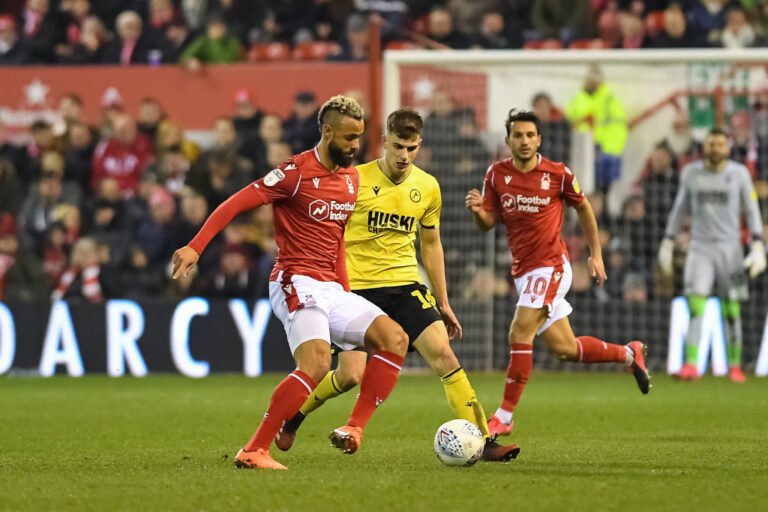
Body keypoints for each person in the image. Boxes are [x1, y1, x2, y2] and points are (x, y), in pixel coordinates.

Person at [171, 96, 408, 470]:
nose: (355, 146)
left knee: (395, 339)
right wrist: (196, 247)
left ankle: (354, 428)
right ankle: (254, 449)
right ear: (327, 131)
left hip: (331, 287)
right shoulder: (294, 173)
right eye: (348, 138)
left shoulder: (351, 179)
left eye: (359, 138)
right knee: (315, 362)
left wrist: (344, 290)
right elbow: (236, 202)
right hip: (294, 279)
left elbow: (337, 239)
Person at [274, 109, 520, 462]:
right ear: (385, 142)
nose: (405, 156)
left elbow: (431, 245)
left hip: (404, 285)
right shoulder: (352, 181)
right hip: (356, 288)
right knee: (349, 376)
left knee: (444, 354)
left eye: (413, 148)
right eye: (399, 146)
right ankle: (295, 416)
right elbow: (328, 235)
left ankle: (485, 441)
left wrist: (443, 300)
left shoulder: (427, 186)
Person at [464, 109, 650, 438]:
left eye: (530, 135)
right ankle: (628, 353)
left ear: (539, 139)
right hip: (523, 271)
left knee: (519, 332)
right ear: (508, 140)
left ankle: (504, 416)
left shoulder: (558, 174)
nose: (524, 141)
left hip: (551, 265)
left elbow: (583, 207)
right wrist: (479, 212)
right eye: (517, 135)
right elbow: (488, 223)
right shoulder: (495, 175)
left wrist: (595, 254)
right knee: (565, 348)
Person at [658, 128, 765, 382]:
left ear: (727, 147)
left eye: (719, 144)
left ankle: (735, 366)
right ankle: (692, 365)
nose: (715, 148)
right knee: (695, 304)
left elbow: (751, 209)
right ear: (704, 147)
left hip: (731, 248)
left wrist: (758, 243)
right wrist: (668, 240)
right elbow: (679, 208)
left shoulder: (739, 174)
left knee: (731, 309)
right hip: (700, 247)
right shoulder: (691, 173)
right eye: (711, 144)